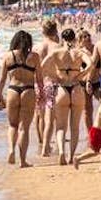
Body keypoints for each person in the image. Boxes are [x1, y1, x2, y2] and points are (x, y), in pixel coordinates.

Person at [0, 30, 43, 168]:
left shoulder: (8, 56)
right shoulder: (34, 57)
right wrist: (42, 94)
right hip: (28, 90)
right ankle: (22, 161)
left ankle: (11, 150)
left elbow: (2, 79)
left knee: (12, 125)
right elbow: (39, 79)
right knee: (24, 128)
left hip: (12, 90)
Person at [41, 28, 86, 165]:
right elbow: (90, 63)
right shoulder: (79, 52)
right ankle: (71, 156)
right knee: (75, 127)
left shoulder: (56, 52)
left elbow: (42, 66)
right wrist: (81, 75)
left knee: (61, 126)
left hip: (62, 88)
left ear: (62, 39)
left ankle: (61, 152)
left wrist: (55, 76)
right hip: (76, 87)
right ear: (74, 39)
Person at [33, 19, 63, 157]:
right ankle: (46, 146)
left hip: (38, 83)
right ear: (55, 31)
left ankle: (42, 144)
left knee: (40, 115)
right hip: (52, 83)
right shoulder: (57, 47)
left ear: (43, 31)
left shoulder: (36, 47)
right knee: (50, 117)